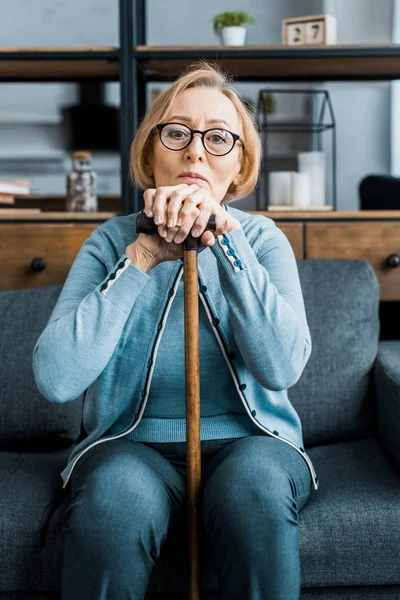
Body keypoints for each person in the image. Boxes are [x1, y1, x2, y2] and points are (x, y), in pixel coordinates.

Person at [33, 59, 319, 600]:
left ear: (239, 166)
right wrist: (140, 256)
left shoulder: (261, 239)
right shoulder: (109, 241)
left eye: (217, 139)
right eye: (177, 133)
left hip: (252, 443)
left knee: (255, 489)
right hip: (128, 445)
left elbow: (282, 366)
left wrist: (226, 244)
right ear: (150, 152)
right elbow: (56, 378)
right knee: (114, 499)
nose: (194, 152)